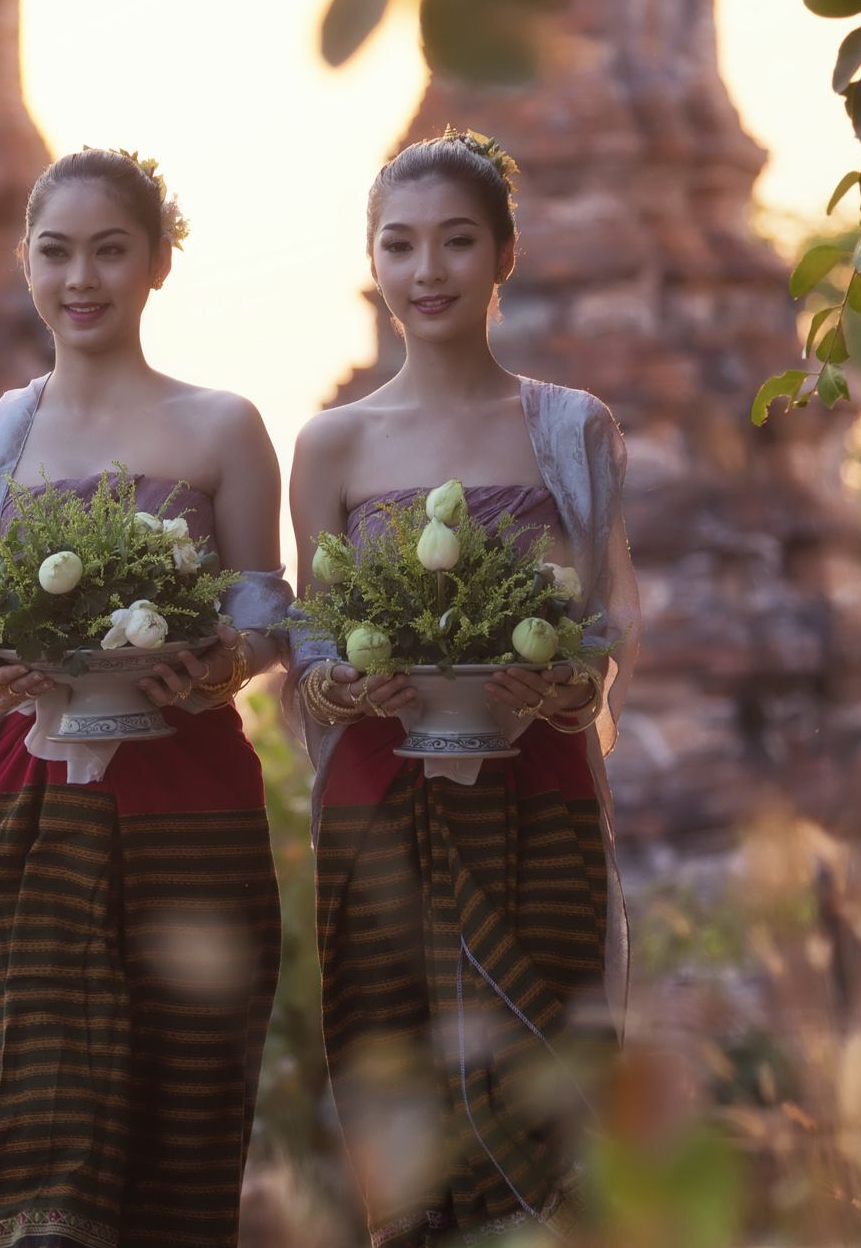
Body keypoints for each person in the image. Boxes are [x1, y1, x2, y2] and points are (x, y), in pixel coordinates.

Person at [0, 148, 293, 1248]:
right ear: (23, 264)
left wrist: (216, 663)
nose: (82, 278)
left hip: (193, 799)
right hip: (32, 799)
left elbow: (267, 613)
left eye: (110, 250)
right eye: (55, 252)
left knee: (187, 1105)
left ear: (158, 262)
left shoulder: (221, 426)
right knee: (45, 1116)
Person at [286, 130, 639, 1245]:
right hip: (375, 809)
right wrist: (348, 684)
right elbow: (307, 644)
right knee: (401, 1107)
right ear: (371, 260)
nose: (425, 270)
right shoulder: (331, 443)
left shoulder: (569, 429)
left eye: (454, 242)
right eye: (399, 245)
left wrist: (559, 686)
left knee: (545, 1091)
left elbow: (604, 627)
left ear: (504, 256)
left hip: (534, 796)